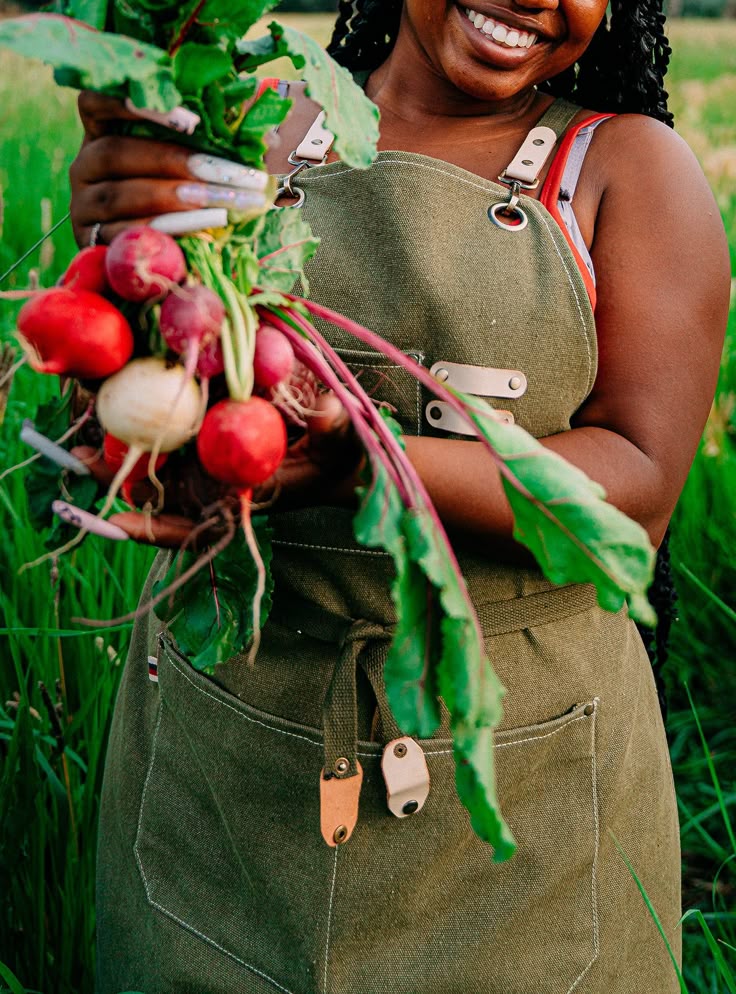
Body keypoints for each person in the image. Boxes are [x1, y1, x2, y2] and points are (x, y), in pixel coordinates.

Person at [68, 1, 730, 991]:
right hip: (229, 755)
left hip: (523, 785)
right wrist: (124, 264)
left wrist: (368, 459)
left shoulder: (626, 169)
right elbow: (151, 367)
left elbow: (633, 494)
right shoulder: (258, 121)